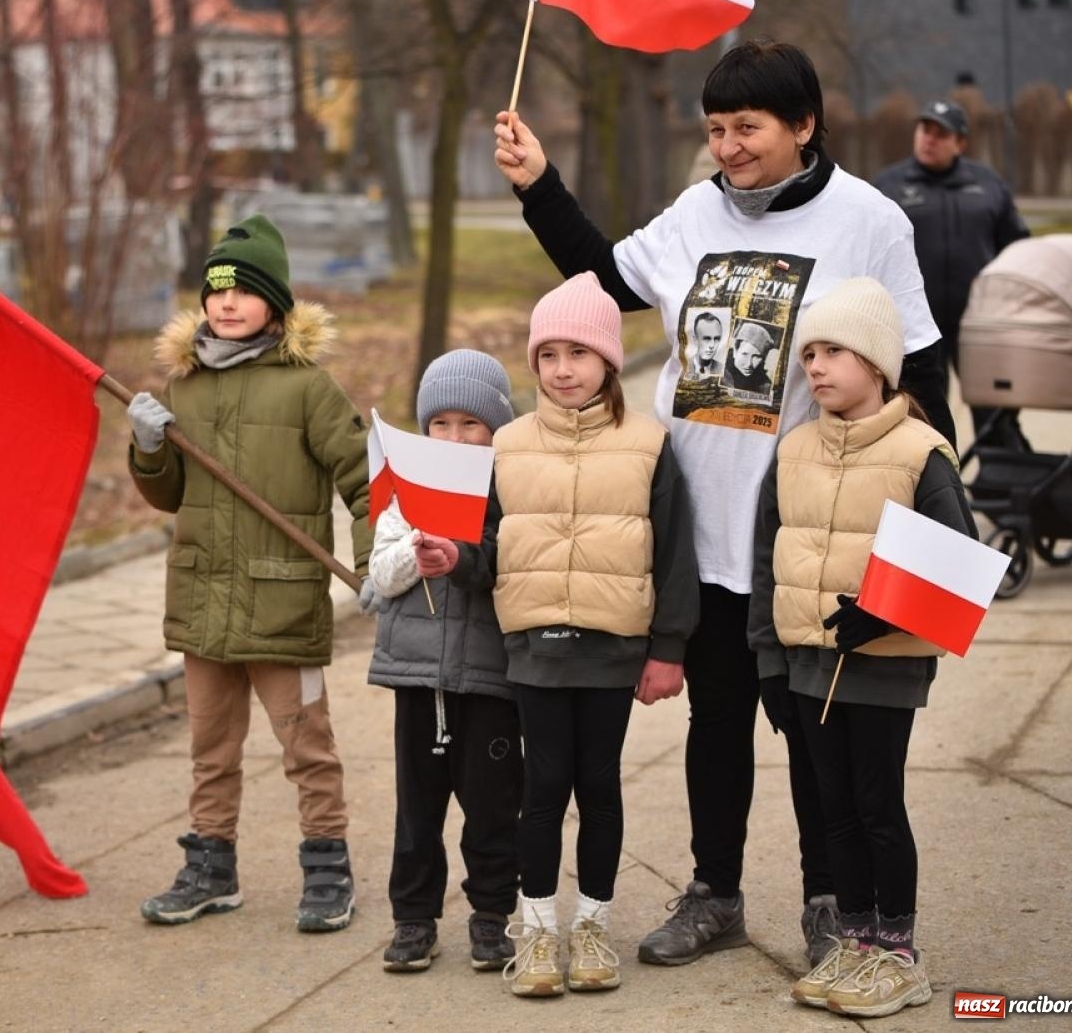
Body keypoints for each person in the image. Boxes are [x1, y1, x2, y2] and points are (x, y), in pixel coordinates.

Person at [493, 39, 955, 969]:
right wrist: (538, 184)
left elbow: (921, 372)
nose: (729, 148)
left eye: (748, 128)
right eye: (715, 130)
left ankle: (832, 899)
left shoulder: (868, 220)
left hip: (804, 538)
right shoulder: (695, 212)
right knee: (717, 726)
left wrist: (914, 527)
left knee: (816, 735)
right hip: (699, 530)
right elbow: (602, 278)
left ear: (804, 125)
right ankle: (716, 893)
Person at [416, 273, 699, 998]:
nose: (563, 369)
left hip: (613, 650)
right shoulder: (508, 446)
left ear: (609, 360)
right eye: (548, 355)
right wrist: (456, 560)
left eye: (579, 353)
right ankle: (538, 931)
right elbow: (490, 547)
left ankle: (592, 925)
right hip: (535, 650)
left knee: (599, 787)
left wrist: (669, 648)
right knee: (541, 791)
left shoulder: (649, 445)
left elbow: (674, 555)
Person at [126, 214, 372, 932]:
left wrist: (376, 562)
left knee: (307, 747)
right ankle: (211, 869)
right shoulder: (185, 388)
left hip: (282, 602)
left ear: (276, 303)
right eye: (216, 290)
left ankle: (327, 869)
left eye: (244, 291)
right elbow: (169, 495)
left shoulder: (308, 390)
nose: (227, 302)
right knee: (210, 750)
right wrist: (148, 450)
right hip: (203, 598)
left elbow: (367, 485)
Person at [749, 277, 973, 1018]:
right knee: (833, 808)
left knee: (877, 805)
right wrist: (769, 662)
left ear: (876, 363)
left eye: (833, 352)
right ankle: (854, 939)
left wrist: (881, 612)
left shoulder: (921, 452)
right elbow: (766, 560)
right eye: (808, 354)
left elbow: (959, 561)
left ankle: (898, 954)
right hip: (807, 665)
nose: (815, 366)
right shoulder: (793, 450)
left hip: (882, 666)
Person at [365, 349, 523, 975]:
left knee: (493, 804)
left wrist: (465, 553)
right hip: (418, 674)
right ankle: (413, 918)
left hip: (490, 675)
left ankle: (491, 914)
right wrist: (416, 546)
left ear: (496, 428)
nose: (455, 437)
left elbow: (516, 563)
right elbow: (382, 573)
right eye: (441, 424)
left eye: (471, 424)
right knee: (417, 807)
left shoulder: (511, 489)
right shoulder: (405, 493)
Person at [873, 99, 1030, 449]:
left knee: (996, 415)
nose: (929, 139)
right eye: (925, 129)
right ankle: (931, 478)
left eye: (940, 134)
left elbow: (1017, 248)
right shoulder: (888, 187)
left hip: (979, 324)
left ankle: (998, 476)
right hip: (914, 327)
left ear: (960, 143)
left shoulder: (988, 186)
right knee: (922, 417)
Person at [724, 321, 777, 397]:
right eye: (744, 354)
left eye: (757, 357)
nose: (749, 364)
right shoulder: (721, 373)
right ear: (735, 352)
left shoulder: (764, 386)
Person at [684, 311, 725, 379]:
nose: (712, 345)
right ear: (695, 340)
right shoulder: (683, 366)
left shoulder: (723, 370)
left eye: (716, 339)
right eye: (707, 339)